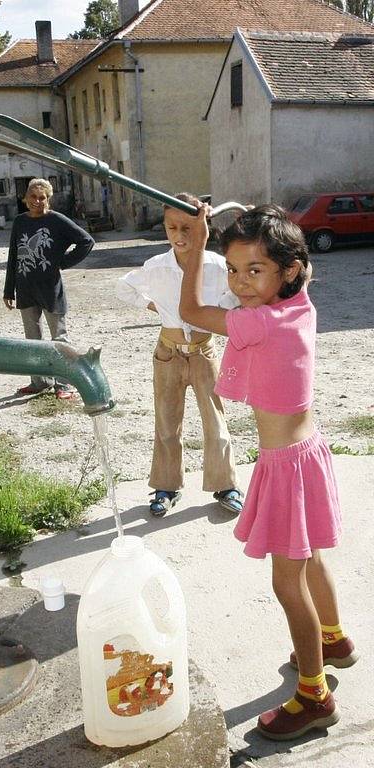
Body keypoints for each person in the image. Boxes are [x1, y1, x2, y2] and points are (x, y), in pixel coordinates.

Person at [179, 203, 357, 741]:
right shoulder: (300, 306)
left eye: (254, 270)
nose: (239, 283)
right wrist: (242, 233)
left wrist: (197, 251)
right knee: (311, 559)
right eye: (231, 270)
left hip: (286, 466)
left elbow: (189, 310)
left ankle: (313, 696)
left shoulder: (256, 323)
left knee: (286, 583)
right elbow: (265, 272)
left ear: (290, 270)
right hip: (309, 452)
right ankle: (334, 640)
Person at [116, 192, 243, 517]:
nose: (180, 235)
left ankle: (225, 485)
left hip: (204, 352)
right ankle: (166, 488)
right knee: (167, 422)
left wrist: (217, 312)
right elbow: (123, 288)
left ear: (203, 228)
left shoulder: (216, 266)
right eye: (173, 227)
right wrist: (156, 306)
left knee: (215, 421)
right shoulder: (156, 267)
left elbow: (234, 294)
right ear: (165, 227)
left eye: (189, 228)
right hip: (168, 354)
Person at [3, 178, 94, 399]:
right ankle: (40, 381)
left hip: (51, 290)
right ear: (25, 199)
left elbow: (86, 241)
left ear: (48, 199)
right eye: (32, 197)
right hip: (25, 289)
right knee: (33, 340)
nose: (37, 201)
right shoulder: (20, 222)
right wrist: (8, 290)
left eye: (41, 197)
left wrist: (62, 262)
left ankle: (64, 384)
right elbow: (14, 256)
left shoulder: (57, 221)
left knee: (59, 339)